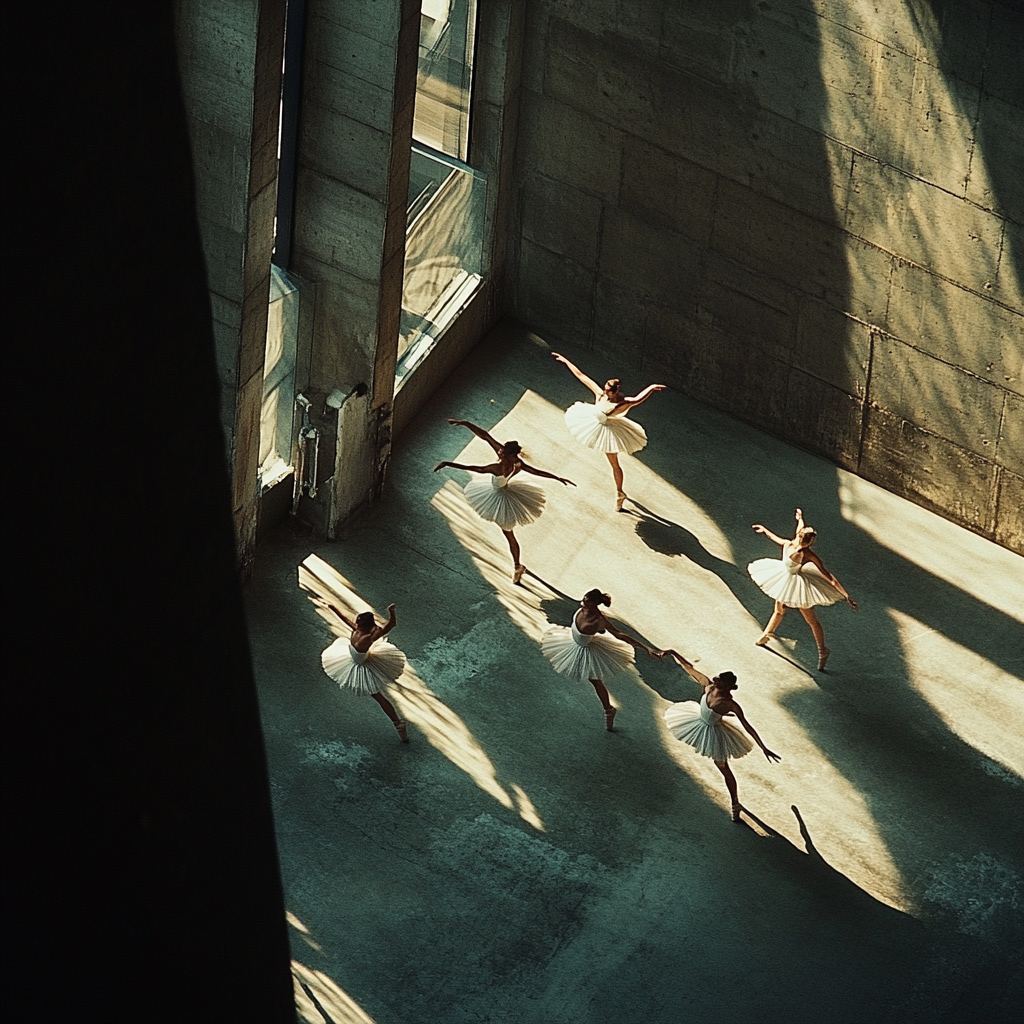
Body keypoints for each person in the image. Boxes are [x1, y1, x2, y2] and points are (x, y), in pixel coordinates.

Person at [434, 418, 575, 583]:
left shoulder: (498, 467)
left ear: (509, 455)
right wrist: (466, 423)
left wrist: (448, 463)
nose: (498, 452)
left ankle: (517, 566)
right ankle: (517, 566)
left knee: (509, 535)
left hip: (502, 498)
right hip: (502, 491)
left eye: (502, 452)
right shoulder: (516, 462)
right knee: (509, 534)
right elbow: (486, 436)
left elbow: (476, 469)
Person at [657, 649, 781, 821]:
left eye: (725, 687)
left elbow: (747, 726)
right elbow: (688, 668)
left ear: (730, 688)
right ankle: (736, 804)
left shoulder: (729, 704)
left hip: (714, 733)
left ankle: (735, 803)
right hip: (697, 720)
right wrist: (673, 653)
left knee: (724, 768)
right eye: (720, 684)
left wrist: (763, 747)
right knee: (721, 766)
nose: (721, 688)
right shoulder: (708, 686)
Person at [551, 351, 666, 510]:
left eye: (608, 391)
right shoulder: (600, 394)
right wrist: (565, 361)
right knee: (613, 463)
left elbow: (639, 398)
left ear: (615, 391)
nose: (604, 392)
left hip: (608, 431)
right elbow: (582, 376)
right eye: (605, 389)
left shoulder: (623, 403)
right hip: (593, 421)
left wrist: (652, 388)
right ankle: (620, 493)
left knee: (614, 464)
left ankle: (620, 493)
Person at [747, 507, 858, 671]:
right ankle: (766, 635)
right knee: (779, 610)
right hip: (785, 580)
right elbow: (830, 576)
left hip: (797, 586)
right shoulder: (797, 548)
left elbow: (828, 575)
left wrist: (845, 594)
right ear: (806, 540)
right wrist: (847, 595)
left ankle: (823, 650)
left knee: (811, 620)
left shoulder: (799, 549)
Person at [540, 589, 657, 730]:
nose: (582, 604)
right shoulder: (583, 609)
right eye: (583, 600)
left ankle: (609, 710)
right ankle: (609, 710)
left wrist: (645, 647)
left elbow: (620, 634)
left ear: (595, 604)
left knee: (595, 681)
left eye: (586, 603)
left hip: (586, 649)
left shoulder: (599, 620)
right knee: (593, 680)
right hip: (572, 643)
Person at [316, 599, 410, 742]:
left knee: (378, 696)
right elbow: (343, 618)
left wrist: (391, 613)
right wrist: (331, 606)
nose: (355, 622)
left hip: (362, 666)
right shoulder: (358, 630)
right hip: (354, 660)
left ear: (362, 624)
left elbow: (391, 625)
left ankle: (398, 723)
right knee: (378, 696)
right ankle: (398, 724)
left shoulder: (368, 637)